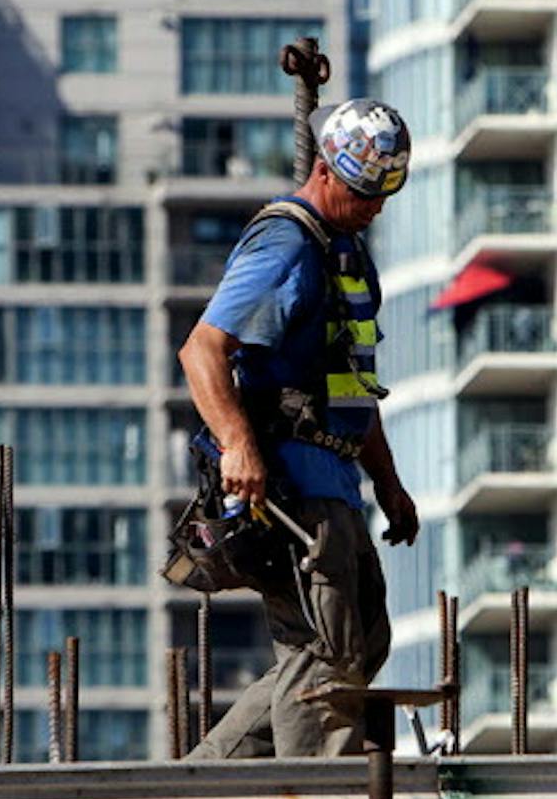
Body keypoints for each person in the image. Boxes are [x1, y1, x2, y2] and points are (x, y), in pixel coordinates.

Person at [177, 100, 420, 758]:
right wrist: (239, 442)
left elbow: (350, 386)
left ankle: (196, 791)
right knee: (323, 658)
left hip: (337, 484)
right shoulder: (286, 243)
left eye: (384, 193)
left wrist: (389, 483)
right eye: (363, 192)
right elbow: (202, 349)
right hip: (293, 492)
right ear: (323, 171)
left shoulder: (347, 255)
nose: (374, 207)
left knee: (358, 644)